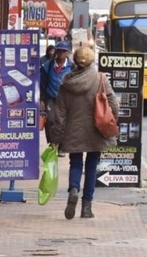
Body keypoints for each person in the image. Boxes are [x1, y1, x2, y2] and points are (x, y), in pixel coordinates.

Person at [51, 45, 119, 220]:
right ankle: (86, 207)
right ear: (91, 61)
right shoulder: (100, 79)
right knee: (91, 166)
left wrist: (56, 137)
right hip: (96, 130)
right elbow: (114, 104)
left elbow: (59, 113)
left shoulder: (66, 82)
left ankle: (74, 188)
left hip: (73, 131)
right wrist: (111, 121)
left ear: (76, 61)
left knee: (75, 163)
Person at [40, 41, 74, 156]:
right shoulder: (48, 65)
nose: (60, 53)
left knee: (63, 123)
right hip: (51, 98)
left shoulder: (72, 67)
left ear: (68, 53)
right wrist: (41, 99)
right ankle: (52, 143)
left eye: (63, 51)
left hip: (66, 100)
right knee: (50, 121)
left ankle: (61, 146)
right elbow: (42, 84)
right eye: (59, 50)